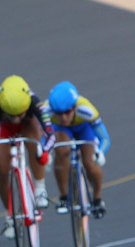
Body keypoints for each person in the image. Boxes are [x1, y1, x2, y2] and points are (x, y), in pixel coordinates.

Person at [0, 75, 54, 239]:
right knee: (3, 171)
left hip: (28, 126)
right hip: (3, 129)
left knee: (35, 144)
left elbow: (50, 134)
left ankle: (40, 189)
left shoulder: (34, 102)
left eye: (19, 114)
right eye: (10, 115)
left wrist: (44, 152)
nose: (15, 119)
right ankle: (10, 216)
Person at [43, 81, 110, 219]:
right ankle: (63, 197)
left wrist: (100, 153)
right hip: (61, 131)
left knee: (90, 163)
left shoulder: (86, 109)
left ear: (74, 107)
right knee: (61, 151)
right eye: (59, 114)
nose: (63, 117)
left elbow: (105, 138)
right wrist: (45, 152)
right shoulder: (46, 110)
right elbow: (42, 136)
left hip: (83, 129)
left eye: (67, 112)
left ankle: (97, 198)